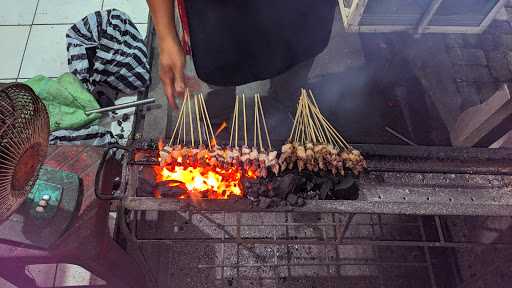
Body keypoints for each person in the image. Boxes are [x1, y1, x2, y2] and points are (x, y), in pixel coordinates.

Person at [146, 0, 337, 110]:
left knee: (295, 65)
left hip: (303, 11)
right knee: (220, 76)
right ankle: (221, 114)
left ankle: (285, 102)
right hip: (218, 15)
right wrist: (166, 35)